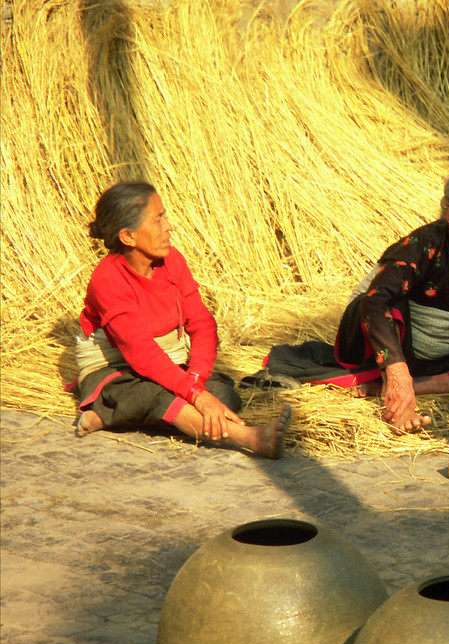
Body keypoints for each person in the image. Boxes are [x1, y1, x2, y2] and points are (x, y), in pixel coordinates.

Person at [74, 182, 292, 459]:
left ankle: (112, 414)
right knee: (152, 396)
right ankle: (252, 437)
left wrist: (197, 382)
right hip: (115, 370)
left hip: (168, 363)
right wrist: (196, 396)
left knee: (224, 395)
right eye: (158, 219)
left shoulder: (172, 261)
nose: (169, 227)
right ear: (128, 236)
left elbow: (202, 324)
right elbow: (142, 355)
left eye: (165, 215)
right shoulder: (108, 280)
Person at [329, 167, 449, 432]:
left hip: (448, 358)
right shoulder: (423, 245)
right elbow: (374, 301)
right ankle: (399, 399)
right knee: (390, 302)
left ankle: (409, 386)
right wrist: (397, 371)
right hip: (382, 343)